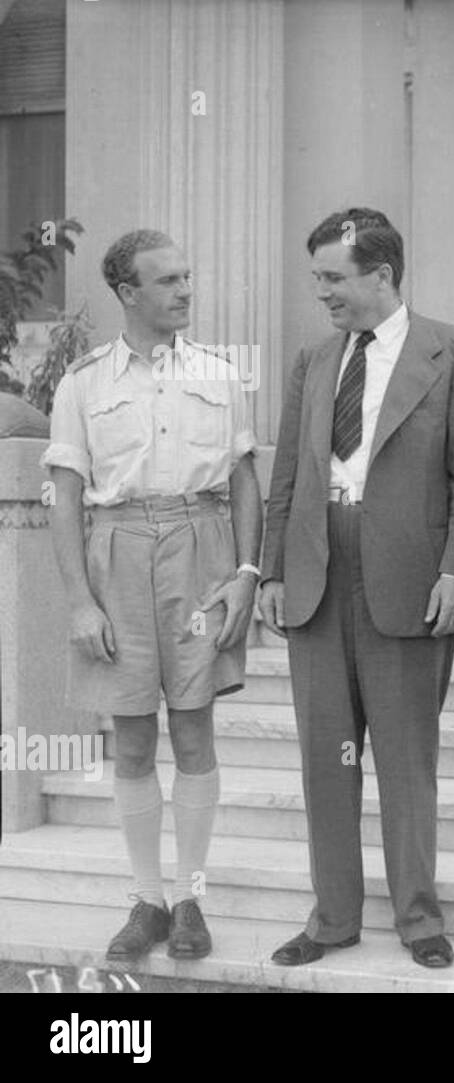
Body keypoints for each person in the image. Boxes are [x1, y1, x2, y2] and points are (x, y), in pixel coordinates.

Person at [259, 208, 454, 969]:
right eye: (318, 277)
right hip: (318, 573)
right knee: (326, 759)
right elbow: (288, 473)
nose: (321, 292)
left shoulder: (452, 352)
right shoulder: (313, 359)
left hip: (408, 577)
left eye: (333, 276)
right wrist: (271, 569)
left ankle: (419, 917)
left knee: (405, 757)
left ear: (382, 274)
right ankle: (332, 917)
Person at [43, 229, 262, 962]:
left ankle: (191, 898)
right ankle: (147, 900)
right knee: (133, 736)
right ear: (128, 293)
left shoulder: (220, 373)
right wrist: (79, 600)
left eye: (187, 276)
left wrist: (245, 573)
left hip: (201, 547)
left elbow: (242, 480)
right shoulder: (84, 382)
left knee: (195, 731)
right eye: (167, 281)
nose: (185, 291)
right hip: (118, 549)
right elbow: (65, 498)